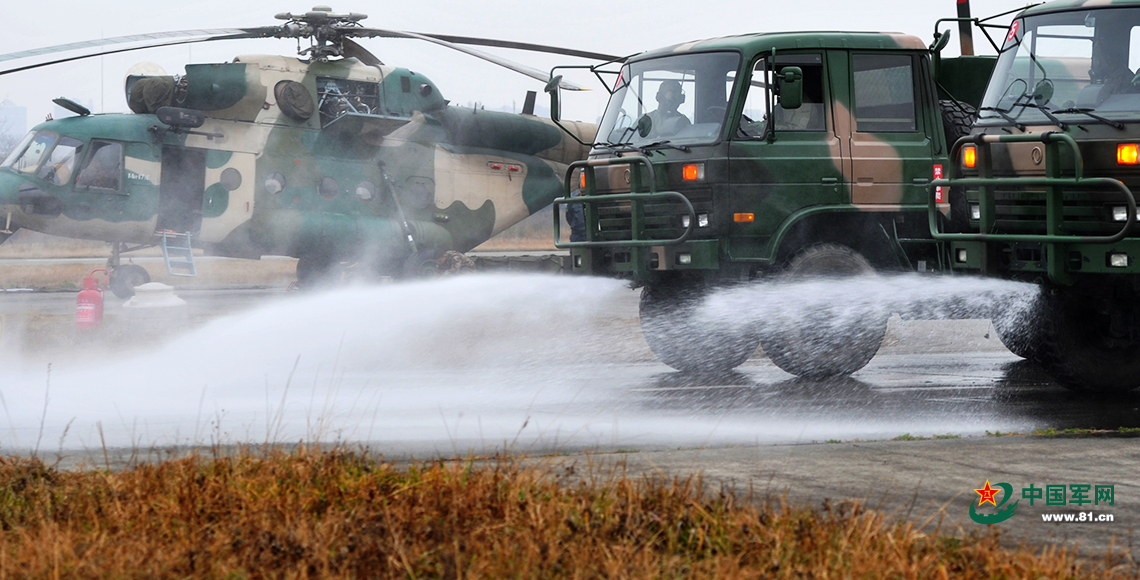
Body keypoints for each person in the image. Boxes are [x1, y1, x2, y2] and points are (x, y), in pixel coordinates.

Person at [565, 172, 587, 243]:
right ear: (579, 189)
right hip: (577, 233)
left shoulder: (594, 200)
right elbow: (569, 217)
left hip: (589, 233)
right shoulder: (573, 201)